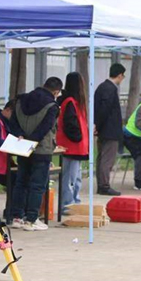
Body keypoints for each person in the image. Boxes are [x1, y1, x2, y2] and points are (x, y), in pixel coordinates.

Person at [9, 77, 62, 231]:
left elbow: (13, 122)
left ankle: (17, 217)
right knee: (37, 185)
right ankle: (31, 219)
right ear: (56, 91)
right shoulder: (52, 106)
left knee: (21, 182)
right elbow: (45, 127)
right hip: (41, 149)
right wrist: (33, 141)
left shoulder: (21, 100)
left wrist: (22, 137)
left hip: (22, 147)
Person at [56, 72, 89, 213]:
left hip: (76, 145)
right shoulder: (70, 102)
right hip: (72, 145)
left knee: (75, 178)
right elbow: (70, 124)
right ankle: (67, 204)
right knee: (70, 177)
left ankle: (73, 202)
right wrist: (78, 137)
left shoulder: (72, 101)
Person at [94, 64, 126, 196]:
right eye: (123, 76)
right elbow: (105, 110)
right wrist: (99, 125)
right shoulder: (110, 89)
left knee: (101, 157)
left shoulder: (102, 87)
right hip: (109, 129)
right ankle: (104, 185)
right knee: (107, 158)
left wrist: (97, 125)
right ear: (119, 75)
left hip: (103, 129)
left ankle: (102, 184)